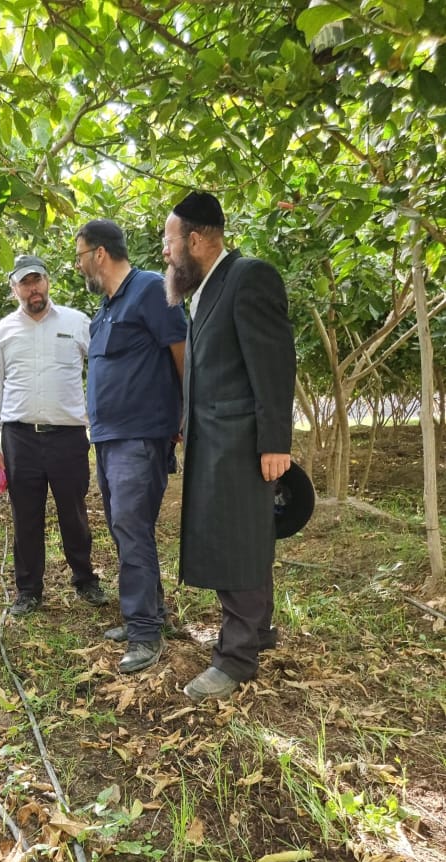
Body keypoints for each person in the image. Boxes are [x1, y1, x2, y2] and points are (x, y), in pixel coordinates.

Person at [162, 190, 296, 700]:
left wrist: (275, 443)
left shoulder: (248, 277)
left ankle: (236, 658)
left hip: (242, 444)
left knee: (239, 541)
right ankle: (258, 632)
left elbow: (275, 365)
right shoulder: (207, 291)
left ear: (196, 241)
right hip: (214, 440)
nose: (167, 252)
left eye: (171, 242)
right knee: (239, 538)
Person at [75, 221, 186, 674]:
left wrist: (184, 419)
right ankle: (148, 613)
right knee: (125, 529)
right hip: (108, 437)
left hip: (140, 436)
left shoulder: (151, 290)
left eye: (80, 255)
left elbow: (183, 356)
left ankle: (144, 634)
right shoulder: (105, 307)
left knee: (133, 528)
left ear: (100, 254)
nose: (79, 264)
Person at [0, 254, 108, 615]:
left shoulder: (77, 322)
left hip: (67, 437)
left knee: (74, 511)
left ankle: (85, 579)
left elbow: (102, 368)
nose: (32, 288)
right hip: (19, 438)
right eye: (24, 282)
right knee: (26, 515)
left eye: (37, 280)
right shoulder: (3, 330)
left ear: (47, 282)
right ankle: (29, 590)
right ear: (14, 288)